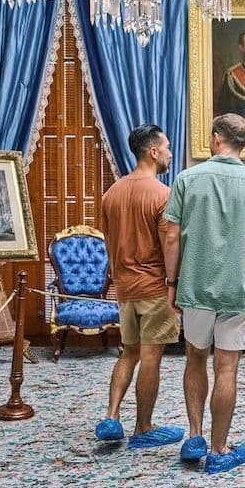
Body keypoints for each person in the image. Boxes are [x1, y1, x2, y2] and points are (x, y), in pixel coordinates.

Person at [163, 113, 245, 474]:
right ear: (243, 144)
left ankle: (194, 434)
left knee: (194, 358)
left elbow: (170, 236)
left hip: (195, 287)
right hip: (238, 290)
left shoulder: (187, 178)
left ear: (216, 139)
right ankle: (218, 450)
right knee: (226, 368)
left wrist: (172, 282)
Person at [95, 124, 184, 449]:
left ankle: (111, 416)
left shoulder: (112, 193)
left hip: (126, 289)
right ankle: (143, 426)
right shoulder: (163, 194)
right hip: (155, 288)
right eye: (168, 147)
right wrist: (174, 283)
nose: (171, 153)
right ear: (153, 151)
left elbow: (109, 241)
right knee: (150, 357)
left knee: (128, 353)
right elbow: (170, 242)